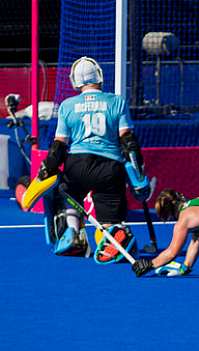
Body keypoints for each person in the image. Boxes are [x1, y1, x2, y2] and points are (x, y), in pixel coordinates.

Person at [37, 56, 142, 263]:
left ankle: (73, 233)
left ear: (75, 81)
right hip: (109, 166)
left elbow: (59, 146)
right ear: (99, 77)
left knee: (69, 194)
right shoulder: (117, 101)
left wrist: (46, 168)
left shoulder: (67, 106)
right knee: (112, 212)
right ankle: (114, 234)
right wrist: (139, 173)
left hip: (77, 164)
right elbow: (128, 142)